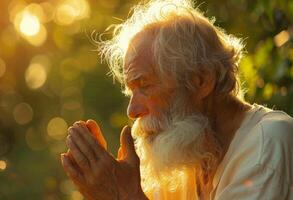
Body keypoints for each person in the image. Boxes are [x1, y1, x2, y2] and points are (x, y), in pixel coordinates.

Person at [60, 0, 293, 199]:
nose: (132, 110)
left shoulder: (267, 141)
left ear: (202, 81)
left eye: (145, 86)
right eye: (131, 91)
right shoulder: (187, 158)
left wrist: (123, 194)